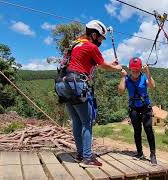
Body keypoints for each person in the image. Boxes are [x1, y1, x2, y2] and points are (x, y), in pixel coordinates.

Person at [55, 20, 122, 168]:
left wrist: (111, 64)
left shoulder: (75, 44)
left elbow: (95, 63)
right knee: (87, 122)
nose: (101, 42)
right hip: (76, 84)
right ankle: (87, 158)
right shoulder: (91, 47)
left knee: (77, 122)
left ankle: (80, 154)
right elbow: (103, 66)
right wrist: (116, 68)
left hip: (63, 84)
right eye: (100, 38)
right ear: (93, 35)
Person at [118, 57, 157, 165]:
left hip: (145, 107)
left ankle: (152, 154)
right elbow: (121, 91)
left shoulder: (144, 77)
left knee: (148, 129)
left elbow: (153, 86)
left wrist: (148, 71)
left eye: (137, 70)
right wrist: (123, 77)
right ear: (130, 69)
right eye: (133, 70)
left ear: (140, 70)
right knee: (137, 130)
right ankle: (139, 152)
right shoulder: (127, 79)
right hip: (134, 108)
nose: (135, 73)